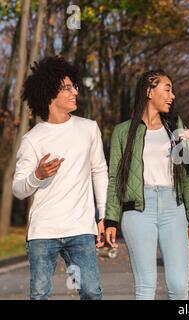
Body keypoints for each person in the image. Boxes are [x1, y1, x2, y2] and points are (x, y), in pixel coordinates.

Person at [12, 56, 107, 300]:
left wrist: (103, 214)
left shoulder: (89, 128)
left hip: (80, 228)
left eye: (74, 86)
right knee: (40, 294)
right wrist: (37, 175)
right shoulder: (33, 139)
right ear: (50, 93)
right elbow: (18, 189)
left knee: (90, 291)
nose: (75, 91)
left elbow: (99, 171)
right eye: (67, 88)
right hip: (43, 231)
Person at [104, 70, 189, 300]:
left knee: (178, 286)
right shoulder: (122, 131)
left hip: (174, 209)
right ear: (149, 91)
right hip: (138, 211)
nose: (172, 95)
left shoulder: (176, 127)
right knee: (146, 286)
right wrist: (111, 219)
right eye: (167, 89)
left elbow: (188, 175)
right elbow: (115, 178)